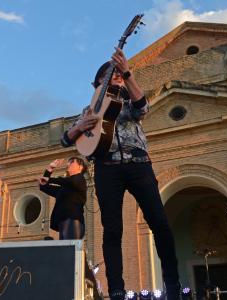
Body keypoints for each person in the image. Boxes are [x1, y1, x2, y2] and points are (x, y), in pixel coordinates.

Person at [60, 48, 180, 300]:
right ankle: (116, 289)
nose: (114, 76)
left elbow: (143, 108)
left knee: (159, 221)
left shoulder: (128, 98)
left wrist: (127, 73)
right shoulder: (88, 110)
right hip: (106, 168)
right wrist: (81, 127)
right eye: (109, 74)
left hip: (139, 165)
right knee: (112, 229)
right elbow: (66, 139)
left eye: (116, 73)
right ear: (98, 84)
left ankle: (173, 285)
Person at [38, 157, 87, 240]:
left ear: (80, 167)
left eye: (71, 162)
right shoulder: (64, 187)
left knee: (69, 250)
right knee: (65, 249)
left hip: (72, 221)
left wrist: (49, 179)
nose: (68, 164)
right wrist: (50, 169)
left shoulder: (80, 179)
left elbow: (70, 181)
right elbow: (44, 186)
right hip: (63, 223)